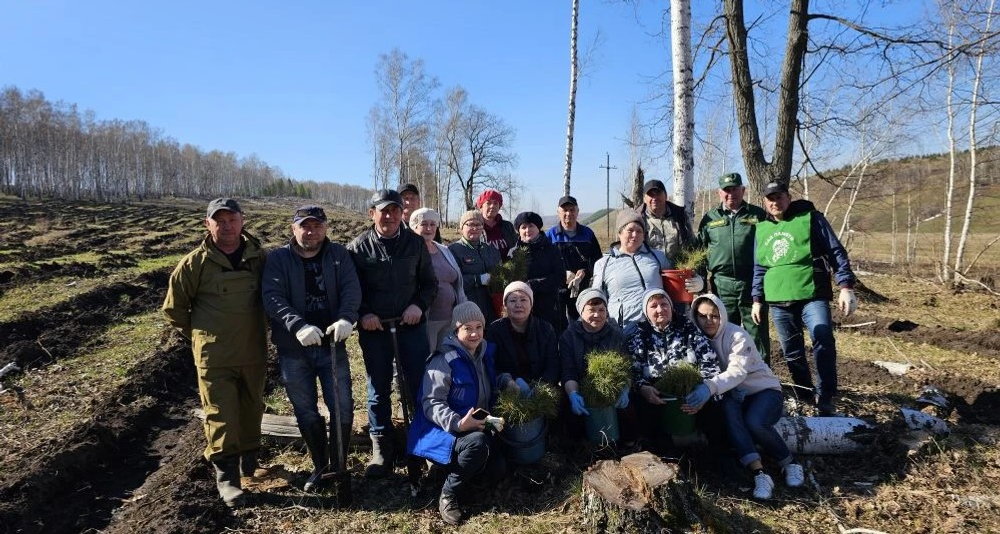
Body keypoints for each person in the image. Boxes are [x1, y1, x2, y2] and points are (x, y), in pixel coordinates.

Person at [162, 198, 267, 508]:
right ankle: (228, 478)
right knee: (220, 414)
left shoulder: (260, 259)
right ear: (207, 224)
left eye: (232, 219)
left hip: (253, 351)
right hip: (215, 357)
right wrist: (202, 336)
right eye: (219, 221)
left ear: (242, 220)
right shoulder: (193, 264)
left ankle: (250, 461)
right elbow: (174, 310)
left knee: (252, 408)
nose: (227, 226)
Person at [262, 205, 361, 492]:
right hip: (294, 349)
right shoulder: (279, 258)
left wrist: (347, 317)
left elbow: (351, 288)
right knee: (305, 410)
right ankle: (321, 468)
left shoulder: (338, 255)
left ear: (325, 227)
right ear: (294, 229)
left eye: (317, 225)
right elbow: (272, 297)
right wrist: (297, 326)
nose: (311, 231)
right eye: (305, 226)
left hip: (332, 346)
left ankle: (339, 468)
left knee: (342, 406)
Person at [348, 189, 437, 478]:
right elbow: (351, 290)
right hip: (375, 330)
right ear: (372, 214)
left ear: (402, 213)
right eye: (383, 211)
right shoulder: (358, 248)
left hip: (411, 327)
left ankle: (424, 442)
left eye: (395, 210)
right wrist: (364, 313)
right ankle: (382, 446)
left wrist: (418, 306)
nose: (389, 216)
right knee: (378, 388)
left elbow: (429, 284)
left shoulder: (415, 243)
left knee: (418, 385)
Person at [751, 181, 858, 416]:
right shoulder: (762, 229)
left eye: (779, 197)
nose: (775, 202)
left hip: (812, 294)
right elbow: (759, 267)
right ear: (765, 202)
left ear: (788, 198)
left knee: (823, 338)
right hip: (778, 300)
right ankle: (805, 395)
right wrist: (757, 299)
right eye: (770, 199)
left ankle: (826, 396)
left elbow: (835, 251)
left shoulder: (811, 218)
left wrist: (845, 286)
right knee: (791, 350)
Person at [687, 294, 804, 499]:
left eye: (714, 316)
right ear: (695, 317)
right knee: (729, 414)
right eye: (703, 316)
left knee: (754, 422)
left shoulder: (737, 336)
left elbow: (738, 372)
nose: (709, 321)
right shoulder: (696, 338)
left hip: (763, 391)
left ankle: (789, 462)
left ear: (722, 315)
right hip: (732, 395)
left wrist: (709, 387)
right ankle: (759, 473)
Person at [407, 301, 506, 525]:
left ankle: (451, 472)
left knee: (498, 468)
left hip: (474, 424)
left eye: (478, 327)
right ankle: (448, 495)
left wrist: (507, 381)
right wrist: (458, 423)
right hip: (441, 430)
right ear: (456, 330)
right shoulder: (443, 359)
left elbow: (490, 381)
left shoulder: (483, 353)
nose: (474, 333)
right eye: (467, 328)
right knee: (478, 444)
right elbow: (431, 402)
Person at [625, 289, 723, 451]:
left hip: (691, 390)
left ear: (671, 307)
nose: (660, 309)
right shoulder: (639, 334)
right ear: (646, 312)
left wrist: (703, 390)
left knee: (715, 409)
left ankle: (712, 451)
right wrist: (642, 387)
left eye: (664, 304)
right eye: (653, 306)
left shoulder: (688, 328)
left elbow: (709, 362)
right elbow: (633, 370)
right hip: (656, 394)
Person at [697, 172, 771, 364]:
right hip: (722, 284)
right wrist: (700, 285)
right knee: (723, 332)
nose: (731, 194)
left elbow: (768, 248)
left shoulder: (758, 215)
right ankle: (728, 373)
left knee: (757, 333)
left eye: (735, 189)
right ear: (719, 193)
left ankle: (761, 374)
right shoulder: (710, 218)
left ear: (743, 190)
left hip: (752, 283)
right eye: (726, 190)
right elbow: (700, 253)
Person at [590, 210, 669, 329]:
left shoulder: (658, 257)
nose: (635, 235)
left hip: (657, 326)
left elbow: (674, 285)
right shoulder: (603, 263)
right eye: (630, 230)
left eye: (639, 231)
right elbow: (596, 297)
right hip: (623, 329)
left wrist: (694, 282)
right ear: (620, 233)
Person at [560, 288, 628, 418]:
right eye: (591, 310)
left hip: (610, 394)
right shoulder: (568, 337)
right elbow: (568, 371)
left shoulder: (617, 336)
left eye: (601, 310)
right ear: (581, 312)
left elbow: (625, 369)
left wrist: (625, 388)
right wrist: (573, 394)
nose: (597, 315)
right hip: (580, 390)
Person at [486, 281, 559, 391]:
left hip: (542, 390)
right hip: (508, 392)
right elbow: (490, 365)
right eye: (513, 300)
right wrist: (506, 382)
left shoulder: (546, 329)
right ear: (505, 305)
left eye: (523, 300)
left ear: (531, 304)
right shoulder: (495, 330)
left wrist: (541, 387)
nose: (518, 305)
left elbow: (553, 365)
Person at [411, 207, 467, 350]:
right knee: (427, 357)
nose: (429, 228)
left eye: (432, 224)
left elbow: (457, 281)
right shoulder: (411, 252)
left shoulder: (444, 250)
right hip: (426, 319)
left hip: (450, 317)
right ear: (414, 226)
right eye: (424, 224)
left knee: (447, 356)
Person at [545, 195, 603, 323]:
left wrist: (585, 272)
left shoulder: (588, 234)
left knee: (581, 322)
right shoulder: (550, 235)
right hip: (557, 289)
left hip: (582, 287)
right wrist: (562, 274)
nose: (568, 213)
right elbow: (545, 263)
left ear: (577, 212)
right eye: (565, 210)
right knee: (558, 323)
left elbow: (598, 260)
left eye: (572, 210)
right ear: (558, 212)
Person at [510, 211, 566, 333]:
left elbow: (560, 278)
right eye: (523, 227)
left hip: (548, 307)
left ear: (538, 228)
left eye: (531, 226)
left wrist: (533, 285)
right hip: (521, 308)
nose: (527, 230)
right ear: (518, 231)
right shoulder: (513, 253)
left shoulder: (552, 250)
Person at [448, 210, 502, 324]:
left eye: (478, 224)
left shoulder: (491, 250)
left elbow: (500, 274)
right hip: (468, 308)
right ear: (462, 227)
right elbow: (452, 282)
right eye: (470, 224)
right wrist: (477, 279)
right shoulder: (453, 251)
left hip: (492, 307)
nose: (475, 228)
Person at [636, 179, 695, 262]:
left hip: (677, 267)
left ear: (666, 196)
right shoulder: (637, 220)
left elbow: (692, 243)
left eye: (658, 193)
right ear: (645, 199)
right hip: (649, 268)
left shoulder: (680, 216)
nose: (654, 198)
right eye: (651, 195)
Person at [476, 188, 517, 259]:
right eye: (488, 203)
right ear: (481, 207)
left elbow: (516, 247)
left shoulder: (507, 226)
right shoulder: (475, 228)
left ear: (499, 206)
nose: (492, 206)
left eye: (495, 203)